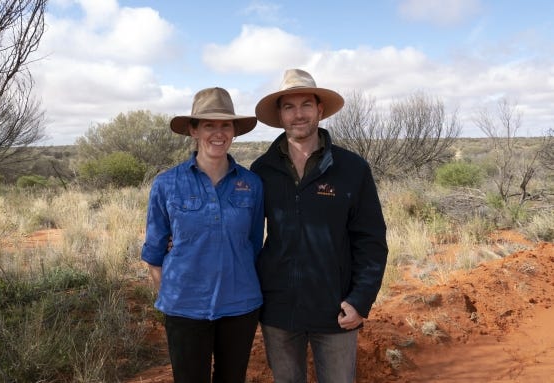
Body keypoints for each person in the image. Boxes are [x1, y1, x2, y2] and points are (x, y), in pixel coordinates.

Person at [250, 69, 388, 383]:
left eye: (306, 105)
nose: (298, 114)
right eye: (289, 106)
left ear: (320, 110)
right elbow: (244, 237)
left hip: (336, 310)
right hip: (278, 311)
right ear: (280, 114)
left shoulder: (352, 169)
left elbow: (371, 241)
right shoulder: (262, 170)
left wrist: (360, 301)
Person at [141, 87, 265, 383]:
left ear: (234, 130)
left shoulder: (251, 184)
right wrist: (176, 294)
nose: (218, 133)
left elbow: (253, 244)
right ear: (193, 130)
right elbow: (155, 253)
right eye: (209, 124)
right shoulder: (166, 184)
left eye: (225, 125)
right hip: (184, 308)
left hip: (240, 305)